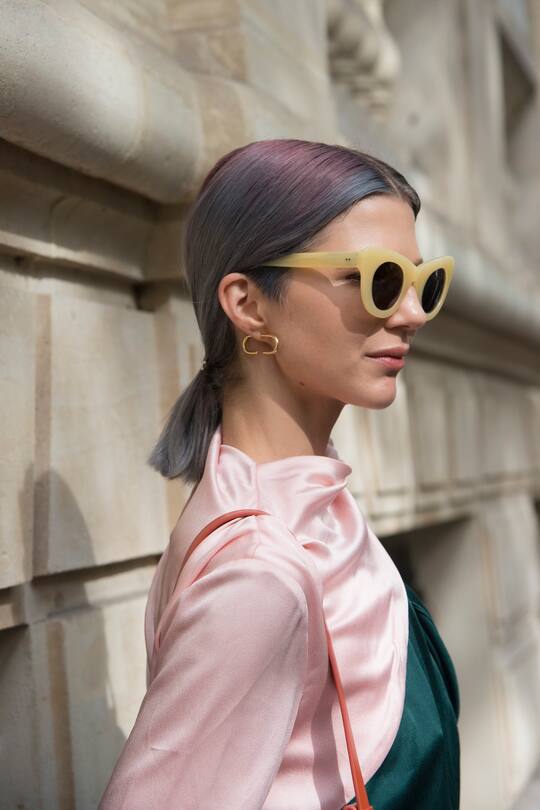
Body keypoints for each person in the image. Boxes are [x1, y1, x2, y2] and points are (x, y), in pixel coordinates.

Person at [98, 138, 460, 809]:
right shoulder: (259, 573)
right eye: (379, 279)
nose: (411, 314)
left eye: (424, 283)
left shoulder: (315, 513)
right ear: (248, 303)